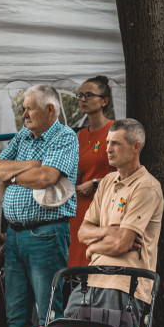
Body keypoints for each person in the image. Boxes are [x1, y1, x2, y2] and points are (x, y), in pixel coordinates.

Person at [0, 84, 78, 327]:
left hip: (46, 233)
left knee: (50, 313)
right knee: (16, 315)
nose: (23, 114)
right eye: (22, 108)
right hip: (18, 235)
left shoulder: (64, 137)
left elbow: (48, 177)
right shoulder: (24, 138)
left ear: (51, 110)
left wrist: (17, 173)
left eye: (29, 108)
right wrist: (30, 167)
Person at [70, 118, 162, 327]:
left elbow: (122, 243)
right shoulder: (107, 181)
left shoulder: (146, 186)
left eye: (115, 143)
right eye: (107, 142)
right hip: (91, 278)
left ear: (135, 147)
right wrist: (107, 232)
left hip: (124, 284)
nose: (107, 149)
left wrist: (92, 248)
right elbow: (83, 232)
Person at [69, 76, 115, 267]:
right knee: (75, 265)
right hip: (78, 208)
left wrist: (96, 183)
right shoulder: (79, 135)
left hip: (104, 207)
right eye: (80, 95)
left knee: (95, 264)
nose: (83, 99)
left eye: (89, 95)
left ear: (104, 101)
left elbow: (128, 173)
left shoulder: (114, 130)